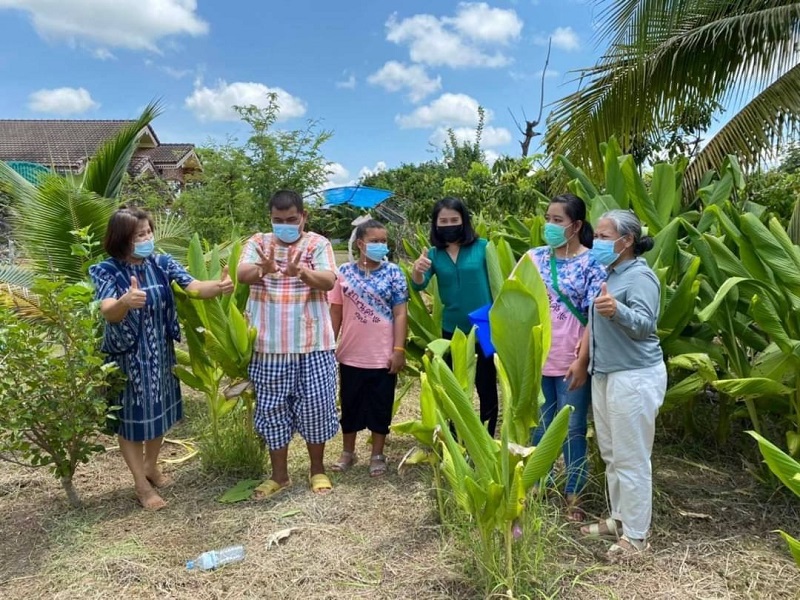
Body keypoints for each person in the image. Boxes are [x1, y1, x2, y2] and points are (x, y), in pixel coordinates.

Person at [90, 207, 234, 511]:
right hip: (127, 356)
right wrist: (125, 302)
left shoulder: (161, 262)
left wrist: (218, 288)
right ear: (121, 239)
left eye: (148, 232)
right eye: (138, 235)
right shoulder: (106, 270)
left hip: (160, 351)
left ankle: (151, 466)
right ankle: (141, 485)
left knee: (159, 413)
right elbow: (108, 312)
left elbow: (193, 287)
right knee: (132, 420)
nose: (147, 239)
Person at [571, 210, 665, 557]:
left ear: (627, 241)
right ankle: (620, 519)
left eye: (604, 237)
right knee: (612, 454)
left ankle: (637, 536)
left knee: (632, 457)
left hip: (634, 376)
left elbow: (646, 325)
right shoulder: (609, 273)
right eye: (596, 235)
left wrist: (617, 311)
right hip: (607, 373)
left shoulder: (640, 277)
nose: (596, 241)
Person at [237, 190, 339, 499]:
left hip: (313, 343)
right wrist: (263, 269)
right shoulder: (258, 243)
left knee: (317, 406)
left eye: (291, 219)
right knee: (272, 410)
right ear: (270, 218)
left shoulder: (318, 244)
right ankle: (279, 476)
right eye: (278, 220)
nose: (285, 225)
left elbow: (329, 280)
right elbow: (242, 274)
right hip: (269, 345)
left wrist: (302, 272)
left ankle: (317, 469)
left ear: (303, 217)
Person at [524, 193, 606, 522]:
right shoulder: (532, 258)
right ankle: (536, 485)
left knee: (573, 428)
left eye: (557, 220)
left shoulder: (592, 262)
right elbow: (514, 300)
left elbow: (594, 317)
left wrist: (582, 361)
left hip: (571, 359)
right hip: (537, 358)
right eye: (548, 218)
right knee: (540, 426)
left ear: (576, 226)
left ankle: (574, 494)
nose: (550, 225)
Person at [410, 197, 498, 436]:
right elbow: (419, 285)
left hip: (484, 324)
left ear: (464, 220)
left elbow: (497, 284)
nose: (449, 225)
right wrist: (417, 270)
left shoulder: (483, 247)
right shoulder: (433, 254)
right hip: (452, 328)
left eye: (454, 220)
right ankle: (457, 436)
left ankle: (487, 436)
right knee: (455, 384)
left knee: (486, 383)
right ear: (436, 224)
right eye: (443, 221)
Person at [328, 219, 409, 477]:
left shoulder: (394, 273)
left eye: (384, 241)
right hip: (351, 354)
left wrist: (398, 350)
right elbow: (336, 311)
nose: (380, 245)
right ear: (360, 244)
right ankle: (347, 452)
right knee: (350, 403)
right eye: (375, 241)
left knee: (381, 406)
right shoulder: (344, 273)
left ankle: (377, 454)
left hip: (383, 355)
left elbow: (400, 313)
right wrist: (329, 345)